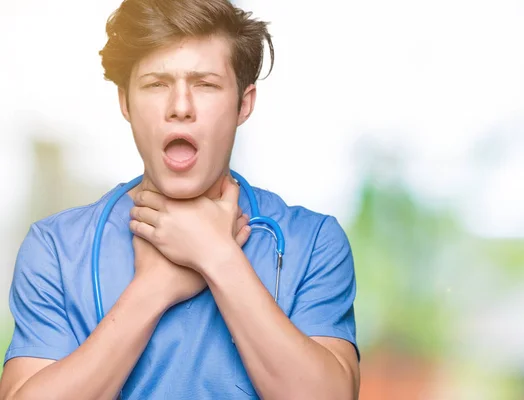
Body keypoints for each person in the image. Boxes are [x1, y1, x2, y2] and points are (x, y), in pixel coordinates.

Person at [0, 0, 360, 398]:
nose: (181, 108)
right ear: (125, 102)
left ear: (244, 103)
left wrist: (217, 256)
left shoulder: (313, 243)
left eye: (205, 84)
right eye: (157, 84)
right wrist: (153, 287)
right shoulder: (55, 248)